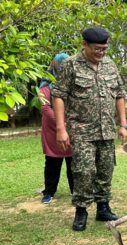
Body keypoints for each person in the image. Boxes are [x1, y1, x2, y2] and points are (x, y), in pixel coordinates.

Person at [52, 27, 127, 231]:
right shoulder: (70, 65)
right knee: (83, 171)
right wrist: (61, 128)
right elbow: (58, 95)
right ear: (84, 44)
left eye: (104, 49)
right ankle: (81, 210)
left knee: (106, 169)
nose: (101, 53)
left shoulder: (110, 65)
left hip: (107, 130)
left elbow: (120, 94)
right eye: (97, 49)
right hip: (81, 129)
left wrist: (123, 124)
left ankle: (103, 207)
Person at [39, 53, 73, 204]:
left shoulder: (73, 85)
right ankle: (49, 192)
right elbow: (46, 109)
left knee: (73, 163)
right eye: (61, 65)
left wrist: (70, 124)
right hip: (53, 131)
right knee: (52, 163)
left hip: (71, 128)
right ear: (54, 66)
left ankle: (76, 191)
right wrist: (62, 124)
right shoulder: (44, 88)